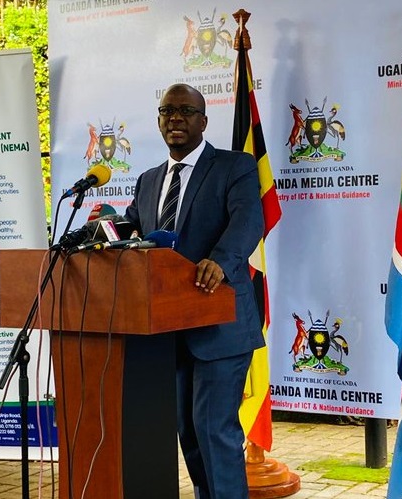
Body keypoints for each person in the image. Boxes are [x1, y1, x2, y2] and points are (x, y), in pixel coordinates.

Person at [125, 83, 265, 499]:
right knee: (188, 431)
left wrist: (219, 261)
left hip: (220, 324)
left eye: (185, 111)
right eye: (167, 111)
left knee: (214, 429)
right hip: (170, 329)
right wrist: (107, 230)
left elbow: (247, 221)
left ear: (203, 121)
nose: (175, 118)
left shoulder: (234, 167)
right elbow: (134, 230)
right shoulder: (148, 181)